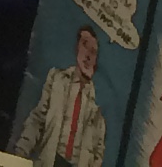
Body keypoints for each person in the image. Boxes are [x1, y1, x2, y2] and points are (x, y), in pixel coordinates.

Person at [14, 25, 111, 166]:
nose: (88, 56)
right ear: (77, 48)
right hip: (50, 161)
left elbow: (98, 150)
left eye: (93, 52)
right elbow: (38, 119)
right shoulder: (57, 80)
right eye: (84, 45)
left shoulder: (96, 104)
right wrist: (20, 153)